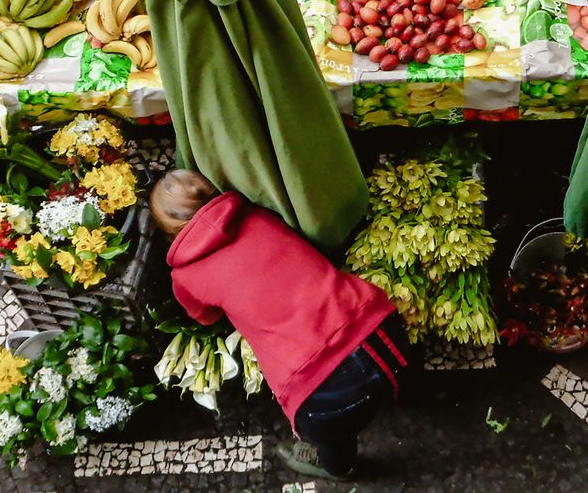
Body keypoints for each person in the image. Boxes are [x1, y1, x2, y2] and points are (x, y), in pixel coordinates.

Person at [150, 169, 409, 477]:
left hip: (324, 390)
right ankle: (393, 388)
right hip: (382, 330)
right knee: (380, 378)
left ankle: (339, 467)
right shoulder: (257, 215)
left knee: (330, 436)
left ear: (168, 232)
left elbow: (205, 317)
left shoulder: (185, 276)